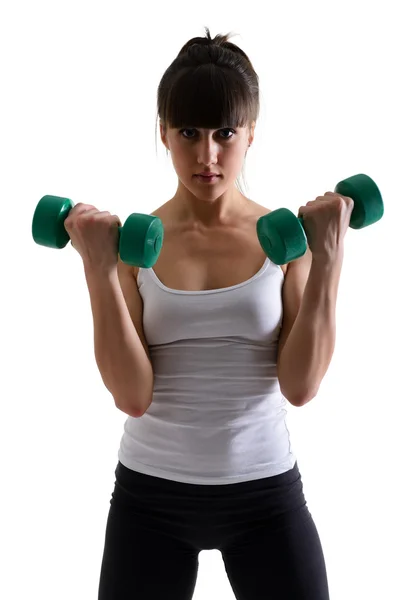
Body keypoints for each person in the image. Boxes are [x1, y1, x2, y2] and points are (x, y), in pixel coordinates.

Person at [66, 27, 353, 600]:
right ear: (164, 133)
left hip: (265, 495)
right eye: (188, 133)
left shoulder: (285, 242)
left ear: (250, 132)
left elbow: (300, 386)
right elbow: (132, 396)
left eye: (225, 132)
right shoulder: (132, 246)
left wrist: (329, 260)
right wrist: (97, 270)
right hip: (151, 498)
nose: (207, 155)